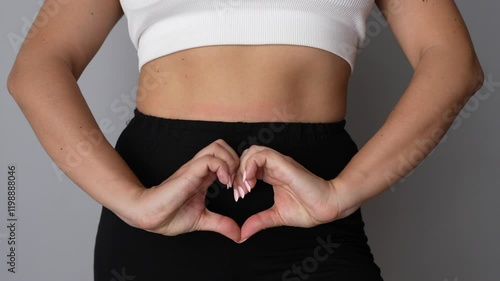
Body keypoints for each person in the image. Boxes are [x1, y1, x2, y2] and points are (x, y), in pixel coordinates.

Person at [7, 0, 483, 280]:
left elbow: (453, 62)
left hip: (310, 209)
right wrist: (133, 203)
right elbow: (37, 68)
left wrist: (342, 193)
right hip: (158, 207)